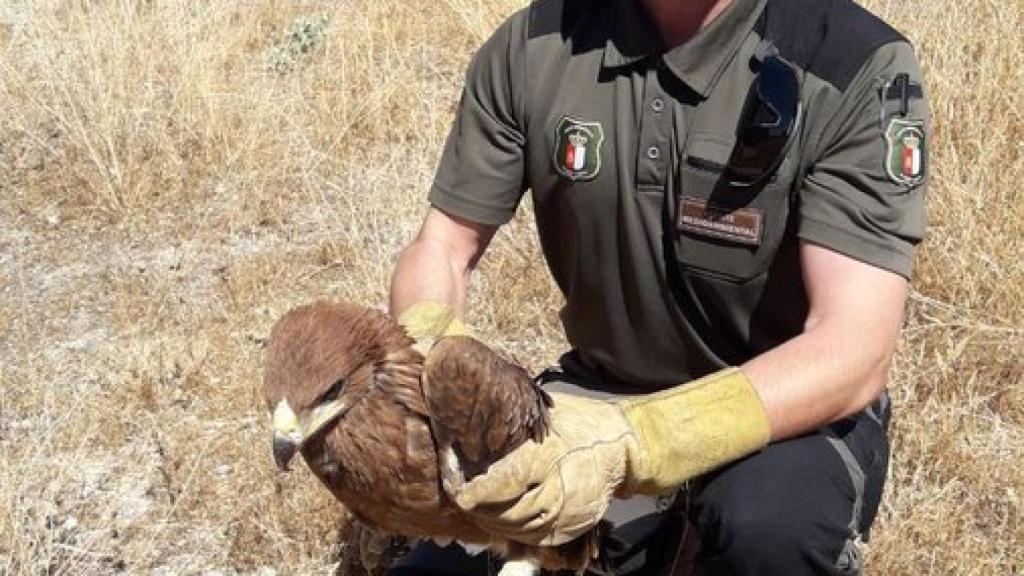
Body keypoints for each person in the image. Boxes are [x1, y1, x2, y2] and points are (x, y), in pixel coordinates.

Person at [389, 0, 929, 573]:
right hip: (602, 393)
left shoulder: (849, 61)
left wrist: (632, 445)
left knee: (770, 534)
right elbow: (443, 246)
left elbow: (854, 347)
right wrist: (430, 365)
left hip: (785, 414)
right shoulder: (535, 45)